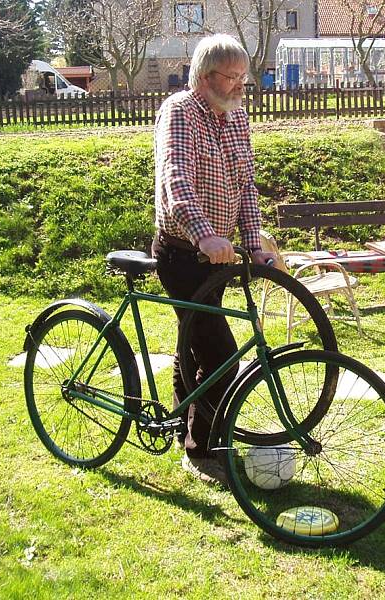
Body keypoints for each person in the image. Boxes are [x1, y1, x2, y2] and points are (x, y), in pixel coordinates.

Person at [152, 34, 274, 485]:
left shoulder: (236, 115)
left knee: (199, 345)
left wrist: (253, 241)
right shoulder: (180, 111)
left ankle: (181, 417)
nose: (242, 85)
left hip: (218, 256)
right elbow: (175, 180)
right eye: (232, 77)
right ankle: (199, 449)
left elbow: (245, 186)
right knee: (222, 355)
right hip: (183, 255)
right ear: (205, 78)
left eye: (245, 77)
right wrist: (205, 236)